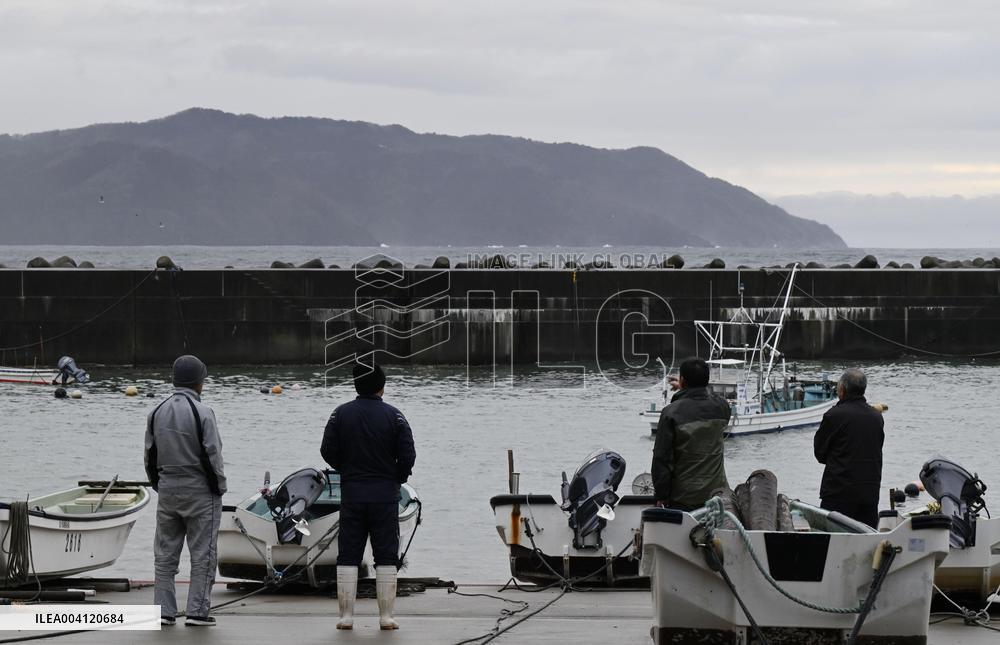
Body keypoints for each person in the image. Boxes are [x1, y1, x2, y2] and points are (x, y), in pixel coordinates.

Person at [321, 363, 416, 631]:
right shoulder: (395, 416)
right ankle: (386, 616)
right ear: (381, 387)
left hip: (352, 493)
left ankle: (346, 616)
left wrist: (347, 469)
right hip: (385, 495)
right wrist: (397, 477)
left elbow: (327, 450)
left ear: (356, 386)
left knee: (348, 553)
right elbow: (408, 454)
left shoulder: (339, 414)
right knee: (386, 554)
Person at [143, 355, 227, 627]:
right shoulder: (203, 412)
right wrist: (219, 488)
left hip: (167, 489)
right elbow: (213, 454)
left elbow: (149, 456)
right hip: (199, 489)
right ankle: (197, 612)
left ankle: (164, 612)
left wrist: (159, 485)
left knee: (165, 554)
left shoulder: (156, 411)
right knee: (203, 554)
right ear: (199, 381)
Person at [651, 358, 731, 510]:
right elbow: (706, 400)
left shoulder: (670, 413)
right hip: (717, 493)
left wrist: (661, 496)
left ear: (682, 380)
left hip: (683, 496)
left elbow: (661, 458)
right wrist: (686, 390)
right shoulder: (722, 407)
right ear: (707, 380)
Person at [814, 368, 884, 527]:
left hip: (839, 492)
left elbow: (820, 454)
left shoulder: (834, 415)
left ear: (842, 389)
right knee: (865, 539)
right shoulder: (876, 417)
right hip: (870, 492)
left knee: (834, 539)